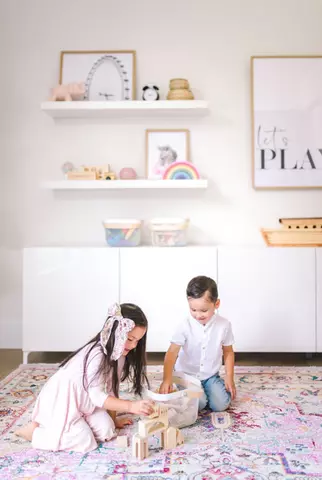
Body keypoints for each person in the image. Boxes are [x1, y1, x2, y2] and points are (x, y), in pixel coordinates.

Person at [15, 303, 154, 453]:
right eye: (130, 339)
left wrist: (114, 420)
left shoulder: (120, 355)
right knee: (85, 441)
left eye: (137, 341)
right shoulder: (97, 354)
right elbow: (97, 396)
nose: (133, 345)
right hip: (64, 401)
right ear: (116, 332)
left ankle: (79, 424)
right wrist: (130, 406)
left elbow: (112, 389)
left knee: (107, 430)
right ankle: (34, 431)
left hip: (85, 403)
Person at [160, 276, 236, 412]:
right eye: (193, 310)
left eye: (204, 310)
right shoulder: (184, 326)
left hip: (210, 375)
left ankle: (206, 391)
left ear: (216, 304)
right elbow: (171, 353)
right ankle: (190, 392)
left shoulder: (224, 325)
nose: (198, 315)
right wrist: (167, 379)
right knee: (199, 405)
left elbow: (228, 351)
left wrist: (229, 378)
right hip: (187, 375)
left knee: (221, 405)